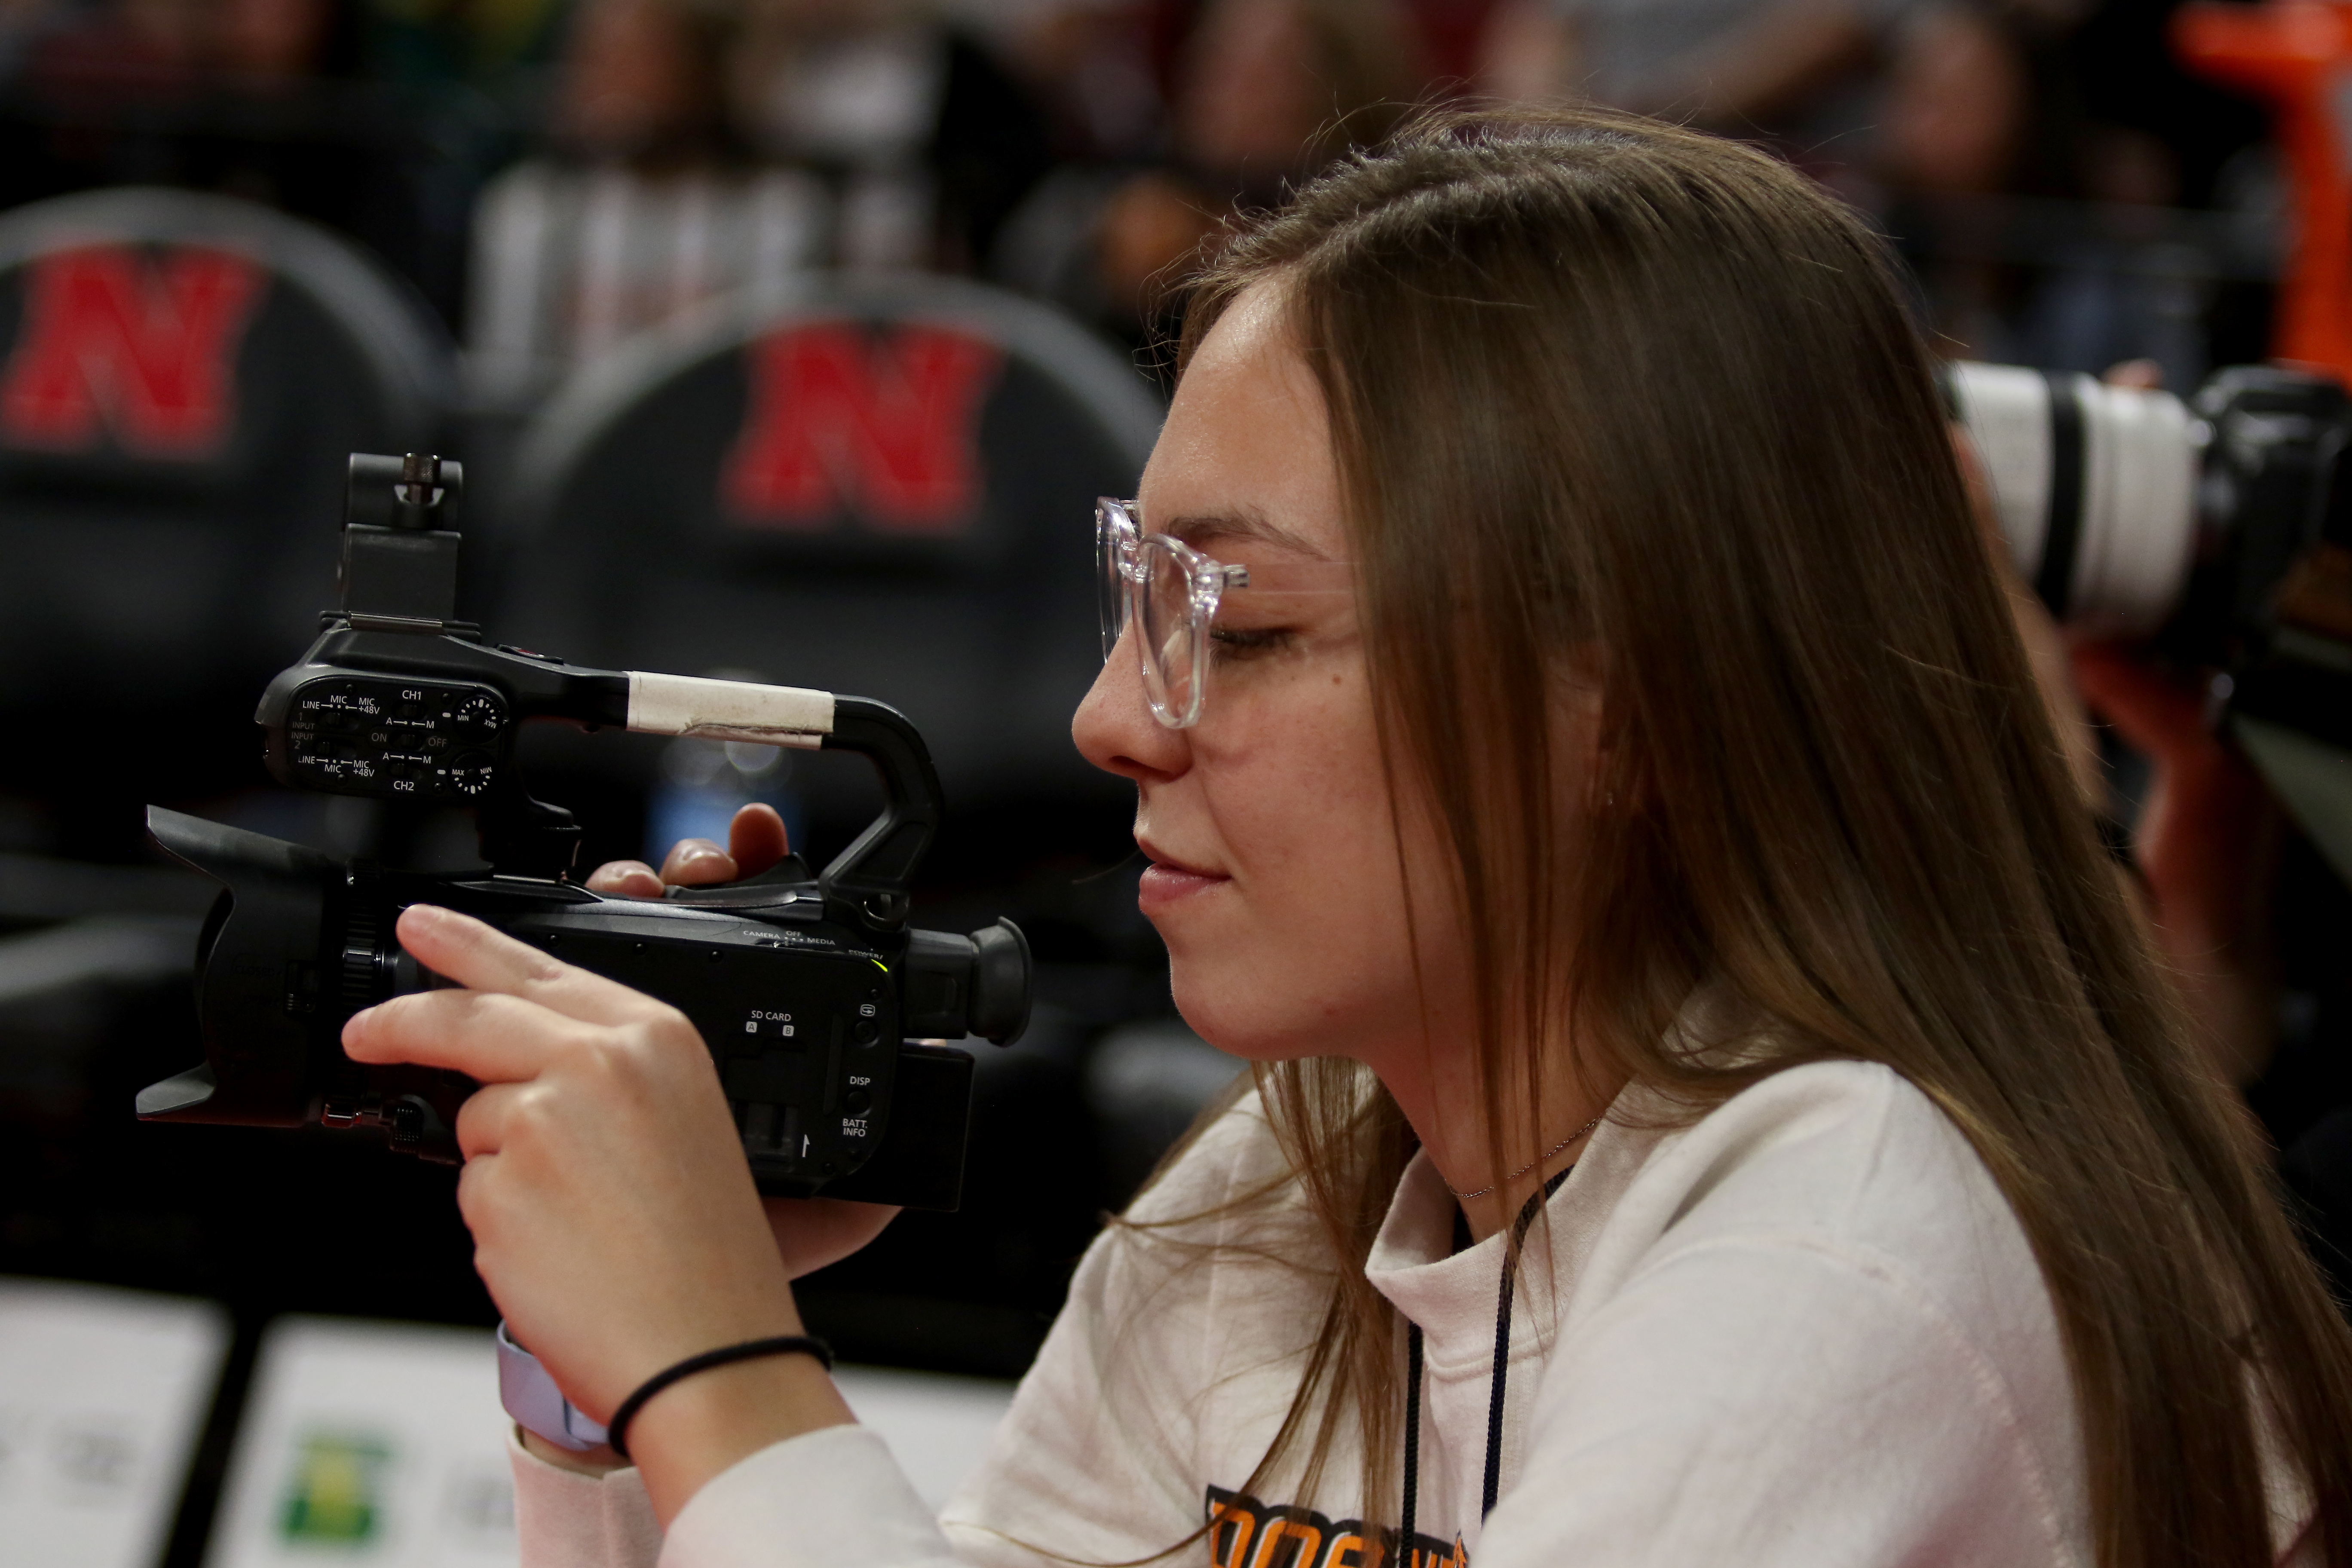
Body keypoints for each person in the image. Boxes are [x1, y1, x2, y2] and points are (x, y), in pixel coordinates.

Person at [346, 108, 2352, 1565]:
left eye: (1254, 626)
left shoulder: (1860, 1236)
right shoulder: (1300, 1166)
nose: (1112, 721)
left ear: (1633, 703)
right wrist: (592, 1389)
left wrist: (716, 1360)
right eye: (1146, 601)